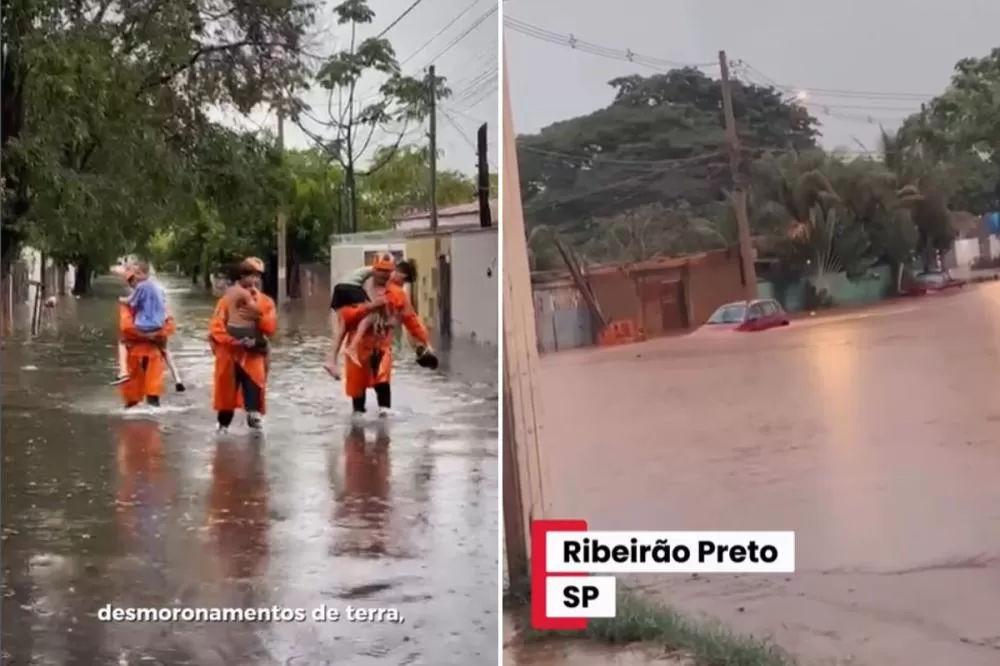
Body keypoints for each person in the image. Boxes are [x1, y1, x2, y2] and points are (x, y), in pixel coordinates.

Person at [338, 253, 436, 415]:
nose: (384, 275)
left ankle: (384, 429)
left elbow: (411, 320)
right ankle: (357, 430)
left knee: (382, 382)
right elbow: (345, 317)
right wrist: (368, 308)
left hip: (381, 344)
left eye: (387, 271)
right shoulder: (358, 288)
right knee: (357, 390)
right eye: (380, 271)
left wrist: (425, 341)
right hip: (358, 345)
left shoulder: (397, 294)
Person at [208, 257, 277, 432]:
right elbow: (216, 327)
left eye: (257, 276)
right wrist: (233, 340)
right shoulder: (226, 301)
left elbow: (270, 329)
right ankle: (222, 432)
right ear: (241, 277)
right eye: (250, 276)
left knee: (254, 403)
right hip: (229, 356)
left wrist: (258, 314)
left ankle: (256, 448)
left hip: (254, 355)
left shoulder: (266, 303)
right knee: (226, 405)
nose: (254, 281)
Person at [323, 258, 416, 380]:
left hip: (340, 289)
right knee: (371, 312)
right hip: (351, 288)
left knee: (343, 325)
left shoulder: (378, 270)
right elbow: (383, 296)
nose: (401, 285)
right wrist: (390, 319)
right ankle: (352, 347)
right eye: (403, 281)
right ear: (401, 273)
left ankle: (331, 360)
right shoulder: (388, 272)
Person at [111, 263, 185, 392]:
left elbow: (131, 303)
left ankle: (123, 372)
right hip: (160, 326)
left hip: (143, 327)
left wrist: (120, 299)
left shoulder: (140, 287)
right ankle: (177, 378)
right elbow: (164, 308)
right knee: (165, 349)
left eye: (137, 274)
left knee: (122, 342)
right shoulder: (159, 288)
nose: (136, 278)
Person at [116, 290, 177, 408]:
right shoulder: (129, 307)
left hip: (149, 355)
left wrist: (147, 335)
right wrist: (152, 335)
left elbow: (169, 328)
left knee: (152, 394)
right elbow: (126, 327)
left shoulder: (160, 310)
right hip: (136, 355)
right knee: (133, 397)